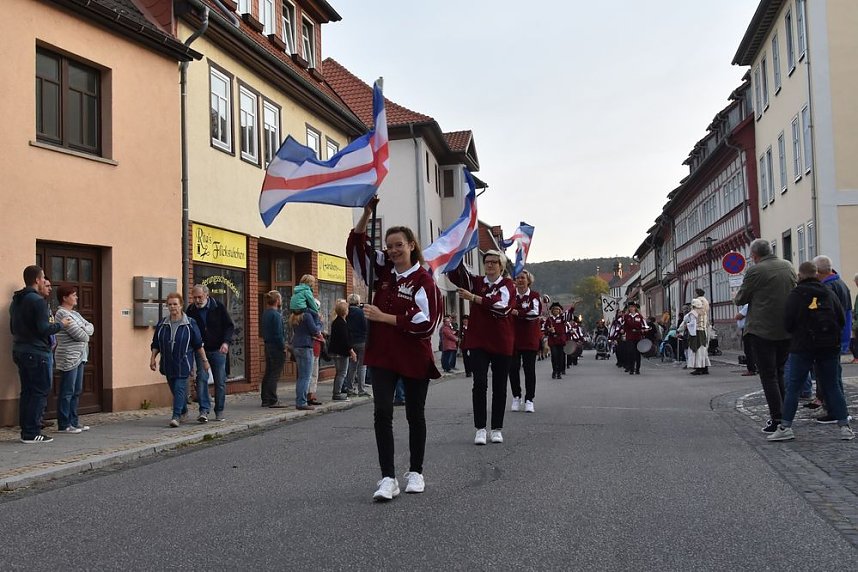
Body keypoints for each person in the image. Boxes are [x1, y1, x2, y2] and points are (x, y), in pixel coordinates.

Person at [347, 197, 443, 501]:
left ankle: (416, 471)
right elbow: (356, 247)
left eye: (398, 245)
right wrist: (366, 214)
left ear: (411, 245)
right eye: (389, 246)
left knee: (415, 415)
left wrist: (384, 317)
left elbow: (425, 324)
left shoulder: (424, 281)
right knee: (382, 412)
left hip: (414, 357)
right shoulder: (383, 272)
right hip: (383, 355)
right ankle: (387, 477)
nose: (393, 250)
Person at [767, 261, 854, 441]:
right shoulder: (828, 292)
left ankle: (785, 427)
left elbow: (788, 322)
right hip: (829, 346)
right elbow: (841, 318)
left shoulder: (796, 294)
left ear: (800, 275)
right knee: (832, 386)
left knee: (794, 387)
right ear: (816, 274)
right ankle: (845, 426)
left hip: (802, 346)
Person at [448, 250, 515, 446]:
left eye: (494, 262)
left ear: (501, 266)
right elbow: (456, 275)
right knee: (479, 384)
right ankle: (480, 428)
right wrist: (457, 251)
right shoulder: (477, 282)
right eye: (487, 262)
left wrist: (475, 298)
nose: (490, 265)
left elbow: (503, 306)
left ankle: (496, 428)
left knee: (500, 386)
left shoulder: (507, 285)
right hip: (478, 341)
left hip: (501, 341)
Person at [734, 239, 797, 433]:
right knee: (780, 372)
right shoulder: (788, 266)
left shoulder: (756, 271)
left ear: (754, 256)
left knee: (768, 375)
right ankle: (786, 416)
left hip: (762, 330)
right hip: (786, 328)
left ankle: (777, 419)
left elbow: (740, 299)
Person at [10, 265, 72, 443]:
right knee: (39, 392)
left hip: (20, 349)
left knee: (27, 392)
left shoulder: (17, 300)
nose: (45, 280)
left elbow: (12, 327)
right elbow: (44, 329)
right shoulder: (37, 301)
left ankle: (26, 430)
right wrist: (62, 325)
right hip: (37, 352)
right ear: (37, 280)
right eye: (43, 277)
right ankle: (32, 432)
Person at [150, 292, 209, 427]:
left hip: (183, 362)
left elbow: (198, 344)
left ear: (181, 305)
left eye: (175, 304)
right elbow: (156, 343)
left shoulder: (190, 323)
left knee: (179, 389)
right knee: (174, 389)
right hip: (168, 363)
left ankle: (176, 416)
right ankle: (183, 411)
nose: (172, 307)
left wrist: (205, 361)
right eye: (170, 305)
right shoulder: (162, 324)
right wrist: (152, 358)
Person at [186, 284, 234, 422]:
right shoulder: (191, 310)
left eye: (199, 297)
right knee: (201, 379)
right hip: (201, 351)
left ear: (206, 295)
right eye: (194, 297)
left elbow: (229, 326)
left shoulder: (218, 307)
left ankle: (219, 410)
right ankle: (203, 411)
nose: (197, 300)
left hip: (219, 349)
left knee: (220, 381)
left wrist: (226, 342)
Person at [54, 285, 94, 434]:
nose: (76, 297)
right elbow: (81, 335)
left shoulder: (75, 314)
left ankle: (74, 421)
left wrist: (85, 328)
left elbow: (90, 327)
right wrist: (85, 330)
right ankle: (64, 423)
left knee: (76, 390)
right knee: (67, 390)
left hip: (80, 356)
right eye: (74, 295)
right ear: (65, 298)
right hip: (69, 356)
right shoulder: (61, 314)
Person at [508, 269, 541, 413]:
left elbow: (534, 313)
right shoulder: (510, 296)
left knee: (529, 370)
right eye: (518, 278)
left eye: (523, 278)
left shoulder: (534, 296)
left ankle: (529, 399)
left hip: (529, 338)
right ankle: (516, 396)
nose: (520, 280)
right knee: (513, 368)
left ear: (529, 280)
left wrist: (518, 313)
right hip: (513, 338)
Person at [289, 303, 322, 411]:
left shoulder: (294, 316)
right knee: (305, 377)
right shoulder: (307, 316)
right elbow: (315, 331)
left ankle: (300, 400)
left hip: (297, 346)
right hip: (305, 346)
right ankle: (301, 402)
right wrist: (319, 322)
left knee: (301, 376)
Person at [260, 291, 289, 408]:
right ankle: (272, 399)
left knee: (268, 372)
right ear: (277, 300)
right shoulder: (276, 315)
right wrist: (283, 347)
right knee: (274, 373)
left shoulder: (265, 313)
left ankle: (265, 398)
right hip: (276, 346)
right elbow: (278, 334)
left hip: (267, 345)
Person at [329, 299, 357, 401]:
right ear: (345, 311)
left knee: (339, 372)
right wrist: (351, 351)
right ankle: (337, 393)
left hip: (336, 351)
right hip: (341, 352)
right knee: (342, 373)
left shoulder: (337, 321)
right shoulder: (341, 323)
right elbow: (345, 339)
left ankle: (336, 392)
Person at [345, 294, 370, 396]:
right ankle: (361, 389)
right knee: (362, 366)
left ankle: (350, 388)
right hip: (362, 341)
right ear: (358, 302)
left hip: (351, 341)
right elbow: (366, 327)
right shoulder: (361, 312)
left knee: (352, 365)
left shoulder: (346, 312)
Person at [622, 300, 649, 375]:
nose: (631, 308)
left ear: (635, 308)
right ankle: (631, 368)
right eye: (630, 307)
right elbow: (623, 326)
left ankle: (637, 369)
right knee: (630, 352)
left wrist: (645, 329)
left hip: (637, 336)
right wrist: (622, 330)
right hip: (630, 337)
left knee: (637, 353)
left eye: (632, 307)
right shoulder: (626, 316)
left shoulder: (639, 316)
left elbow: (644, 324)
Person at [546, 302, 568, 378]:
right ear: (552, 311)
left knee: (560, 356)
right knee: (554, 356)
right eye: (554, 309)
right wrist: (549, 329)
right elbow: (544, 330)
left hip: (560, 340)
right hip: (553, 340)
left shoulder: (562, 318)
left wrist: (573, 307)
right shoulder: (549, 319)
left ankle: (559, 372)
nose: (556, 311)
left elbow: (569, 314)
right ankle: (554, 370)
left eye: (557, 309)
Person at [735, 304, 757, 376]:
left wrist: (737, 315)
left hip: (748, 329)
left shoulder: (748, 306)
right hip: (754, 328)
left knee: (748, 350)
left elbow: (738, 316)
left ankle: (751, 369)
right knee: (754, 349)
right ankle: (756, 367)